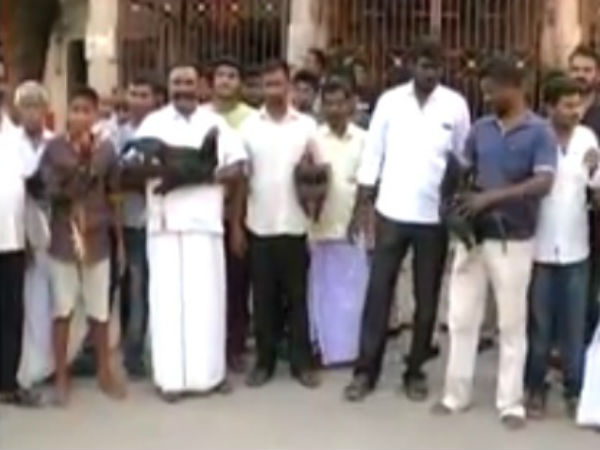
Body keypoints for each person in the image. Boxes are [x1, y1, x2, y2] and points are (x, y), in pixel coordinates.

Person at [343, 37, 470, 402]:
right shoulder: (389, 102)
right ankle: (365, 372)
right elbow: (373, 155)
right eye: (424, 65)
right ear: (411, 65)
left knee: (426, 300)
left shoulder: (455, 105)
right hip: (391, 212)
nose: (431, 72)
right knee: (378, 294)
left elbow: (462, 160)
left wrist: (455, 206)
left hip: (433, 218)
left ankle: (415, 370)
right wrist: (362, 206)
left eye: (437, 66)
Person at [432, 56, 557, 429]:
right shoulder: (480, 129)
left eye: (492, 91)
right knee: (461, 317)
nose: (486, 98)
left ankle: (510, 403)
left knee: (511, 323)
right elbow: (463, 171)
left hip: (513, 239)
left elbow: (543, 182)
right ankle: (455, 394)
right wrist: (454, 203)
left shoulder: (540, 132)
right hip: (473, 236)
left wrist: (491, 198)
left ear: (515, 88)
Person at [134, 63, 246, 401]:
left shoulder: (215, 123)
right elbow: (136, 168)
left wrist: (200, 176)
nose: (183, 88)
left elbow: (238, 166)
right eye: (176, 82)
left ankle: (211, 375)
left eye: (188, 82)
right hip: (165, 225)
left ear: (201, 87)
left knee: (207, 302)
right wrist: (172, 172)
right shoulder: (153, 124)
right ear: (168, 88)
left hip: (205, 224)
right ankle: (170, 379)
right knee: (167, 304)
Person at [39, 86, 126, 406]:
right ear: (68, 113)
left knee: (100, 311)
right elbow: (51, 190)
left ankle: (105, 371)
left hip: (98, 238)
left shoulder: (107, 150)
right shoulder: (54, 149)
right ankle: (62, 376)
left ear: (96, 114)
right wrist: (81, 167)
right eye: (75, 109)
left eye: (86, 110)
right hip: (64, 239)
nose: (80, 116)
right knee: (62, 310)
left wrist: (120, 241)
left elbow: (115, 195)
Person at [235, 59, 319, 388]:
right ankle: (264, 363)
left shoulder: (306, 126)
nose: (273, 90)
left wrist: (314, 213)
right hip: (260, 226)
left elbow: (318, 172)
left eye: (279, 84)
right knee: (264, 300)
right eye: (267, 84)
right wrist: (238, 225)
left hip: (296, 226)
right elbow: (242, 180)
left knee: (298, 299)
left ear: (289, 86)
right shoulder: (249, 128)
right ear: (260, 88)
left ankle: (302, 364)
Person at [526, 76, 599, 420]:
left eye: (578, 105)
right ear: (549, 107)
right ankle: (535, 387)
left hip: (575, 247)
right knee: (540, 325)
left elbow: (595, 186)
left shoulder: (587, 139)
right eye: (567, 105)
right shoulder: (536, 137)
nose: (575, 111)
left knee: (573, 326)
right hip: (539, 246)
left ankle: (574, 389)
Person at [308, 77, 368, 365]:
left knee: (352, 292)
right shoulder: (313, 139)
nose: (334, 109)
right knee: (322, 291)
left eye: (339, 103)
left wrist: (359, 219)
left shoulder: (364, 139)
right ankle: (324, 349)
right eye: (328, 103)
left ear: (351, 104)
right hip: (319, 225)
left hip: (351, 225)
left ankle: (350, 351)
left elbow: (368, 183)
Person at [210, 56, 255, 373]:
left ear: (240, 83)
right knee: (210, 285)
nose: (225, 81)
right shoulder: (202, 117)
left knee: (237, 283)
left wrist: (238, 222)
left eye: (232, 75)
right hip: (205, 215)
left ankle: (236, 346)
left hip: (240, 211)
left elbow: (247, 172)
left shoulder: (251, 120)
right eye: (220, 75)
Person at [12, 82, 55, 391]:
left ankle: (52, 363)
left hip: (55, 225)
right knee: (28, 300)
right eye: (25, 106)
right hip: (21, 227)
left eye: (36, 106)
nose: (31, 113)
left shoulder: (55, 142)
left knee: (54, 300)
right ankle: (29, 365)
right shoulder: (9, 144)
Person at [0, 90, 40, 407]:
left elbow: (32, 186)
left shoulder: (17, 139)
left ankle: (7, 383)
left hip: (11, 241)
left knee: (11, 314)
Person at [118, 76, 157, 378]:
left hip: (159, 223)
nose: (139, 100)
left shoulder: (162, 130)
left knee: (152, 289)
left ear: (155, 99)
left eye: (145, 94)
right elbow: (115, 176)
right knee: (134, 288)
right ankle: (132, 352)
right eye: (135, 93)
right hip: (127, 222)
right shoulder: (116, 133)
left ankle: (152, 348)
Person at [568, 45, 600, 344]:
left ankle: (585, 344)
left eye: (587, 70)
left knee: (591, 280)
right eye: (575, 69)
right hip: (564, 208)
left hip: (596, 211)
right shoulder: (556, 109)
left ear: (597, 75)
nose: (580, 75)